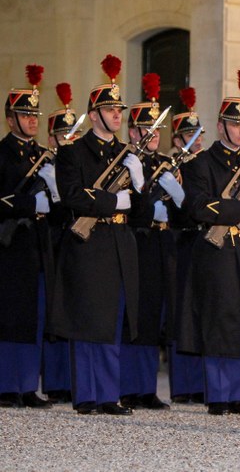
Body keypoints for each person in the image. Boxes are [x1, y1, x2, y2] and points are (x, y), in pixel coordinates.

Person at [177, 69, 240, 416]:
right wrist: (238, 208)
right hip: (217, 251)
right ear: (221, 126)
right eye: (235, 124)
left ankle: (238, 394)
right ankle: (219, 395)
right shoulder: (201, 163)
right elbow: (197, 207)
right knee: (220, 320)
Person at [49, 54, 143, 415]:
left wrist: (140, 183)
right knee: (87, 318)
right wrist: (112, 200)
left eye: (119, 109)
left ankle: (108, 395)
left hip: (119, 242)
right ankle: (88, 395)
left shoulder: (126, 154)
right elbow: (72, 195)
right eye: (110, 109)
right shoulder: (73, 152)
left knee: (113, 319)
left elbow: (140, 208)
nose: (117, 115)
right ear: (93, 115)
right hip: (89, 244)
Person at [0, 64, 55, 409]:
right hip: (11, 245)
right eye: (25, 115)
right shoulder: (2, 154)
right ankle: (7, 385)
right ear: (10, 120)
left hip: (37, 244)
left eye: (35, 115)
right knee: (10, 316)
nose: (32, 120)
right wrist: (29, 203)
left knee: (35, 315)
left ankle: (27, 385)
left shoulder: (41, 155)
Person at [119, 73, 174, 410]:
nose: (154, 135)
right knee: (133, 318)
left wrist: (176, 202)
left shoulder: (165, 164)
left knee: (153, 317)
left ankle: (146, 387)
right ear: (133, 132)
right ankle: (128, 386)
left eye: (157, 130)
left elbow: (183, 211)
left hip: (159, 244)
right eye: (147, 130)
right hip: (134, 243)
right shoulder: (124, 162)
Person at [40, 81, 80, 404]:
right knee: (55, 309)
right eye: (64, 135)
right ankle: (55, 381)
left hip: (77, 242)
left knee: (74, 310)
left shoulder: (79, 165)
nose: (70, 140)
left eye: (74, 134)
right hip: (54, 241)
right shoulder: (44, 167)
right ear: (51, 139)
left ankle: (72, 380)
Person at [166, 87, 205, 405]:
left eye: (199, 134)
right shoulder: (171, 166)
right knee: (181, 313)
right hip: (180, 242)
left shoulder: (204, 165)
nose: (197, 140)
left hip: (202, 241)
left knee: (201, 312)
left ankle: (200, 383)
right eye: (190, 135)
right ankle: (182, 385)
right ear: (178, 139)